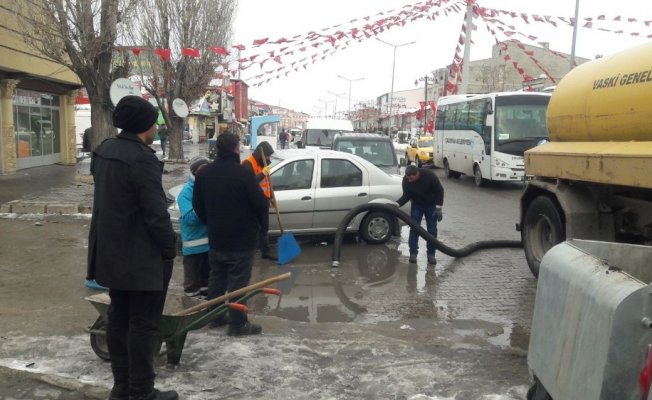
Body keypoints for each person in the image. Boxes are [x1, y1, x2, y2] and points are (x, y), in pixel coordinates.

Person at [87, 96, 178, 400]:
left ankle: (122, 387)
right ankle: (141, 391)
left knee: (119, 318)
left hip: (111, 252)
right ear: (144, 126)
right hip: (140, 257)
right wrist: (169, 248)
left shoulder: (103, 151)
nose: (156, 127)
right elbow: (155, 213)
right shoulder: (141, 158)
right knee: (143, 325)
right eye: (154, 122)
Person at [193, 132, 269, 336]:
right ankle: (237, 324)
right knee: (238, 284)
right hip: (241, 240)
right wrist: (262, 229)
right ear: (236, 149)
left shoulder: (203, 174)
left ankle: (215, 317)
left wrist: (211, 222)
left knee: (216, 279)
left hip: (216, 238)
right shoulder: (243, 174)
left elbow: (197, 206)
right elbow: (261, 204)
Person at [395, 164, 444, 265]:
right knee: (414, 228)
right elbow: (406, 195)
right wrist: (397, 204)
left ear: (417, 174)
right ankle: (413, 253)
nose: (409, 180)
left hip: (431, 204)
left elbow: (439, 190)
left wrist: (438, 207)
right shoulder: (406, 180)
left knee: (432, 230)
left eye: (411, 178)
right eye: (407, 178)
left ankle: (431, 254)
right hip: (417, 204)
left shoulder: (429, 176)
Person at [179, 158, 210, 298]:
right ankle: (191, 310)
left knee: (207, 285)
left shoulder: (210, 187)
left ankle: (206, 310)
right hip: (193, 249)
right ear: (194, 172)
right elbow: (190, 219)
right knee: (192, 287)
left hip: (209, 247)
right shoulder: (186, 193)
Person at [241, 140, 277, 261]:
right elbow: (250, 182)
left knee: (264, 228)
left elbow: (267, 182)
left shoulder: (262, 163)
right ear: (260, 154)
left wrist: (271, 197)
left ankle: (265, 251)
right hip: (252, 203)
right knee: (254, 228)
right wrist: (262, 173)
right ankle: (249, 251)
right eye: (267, 155)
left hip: (263, 201)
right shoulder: (247, 163)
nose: (268, 158)